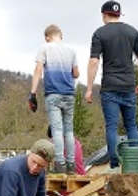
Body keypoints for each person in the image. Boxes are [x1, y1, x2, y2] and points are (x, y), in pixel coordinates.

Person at [85, 1, 138, 173]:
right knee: (131, 125)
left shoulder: (99, 33)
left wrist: (89, 88)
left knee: (111, 126)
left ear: (104, 15)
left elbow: (93, 61)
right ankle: (135, 164)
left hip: (110, 87)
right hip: (128, 87)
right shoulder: (133, 32)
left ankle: (114, 163)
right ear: (119, 14)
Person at [29, 24, 80, 174]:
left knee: (57, 131)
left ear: (47, 37)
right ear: (61, 36)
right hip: (69, 94)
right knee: (69, 131)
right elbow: (76, 73)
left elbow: (38, 70)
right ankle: (71, 166)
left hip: (53, 94)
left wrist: (32, 93)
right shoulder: (71, 50)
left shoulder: (44, 48)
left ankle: (60, 165)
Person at [46, 125, 85, 196]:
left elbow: (51, 162)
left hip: (68, 179)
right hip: (79, 178)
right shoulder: (75, 141)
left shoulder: (58, 142)